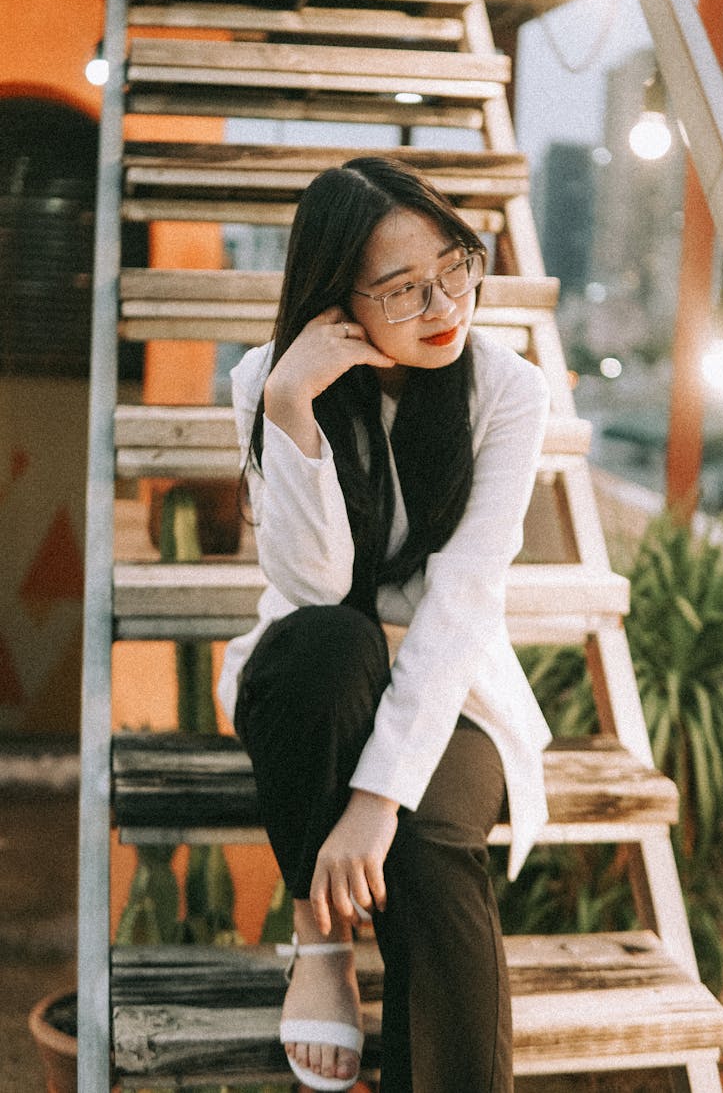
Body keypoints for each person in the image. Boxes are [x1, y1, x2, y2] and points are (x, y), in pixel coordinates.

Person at [217, 155, 552, 1093]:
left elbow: (461, 604)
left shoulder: (506, 391)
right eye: (404, 291)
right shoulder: (267, 381)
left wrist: (375, 802)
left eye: (455, 267)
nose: (445, 304)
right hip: (316, 677)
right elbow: (312, 586)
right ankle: (319, 938)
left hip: (453, 688)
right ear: (338, 302)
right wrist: (294, 408)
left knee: (428, 842)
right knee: (331, 644)